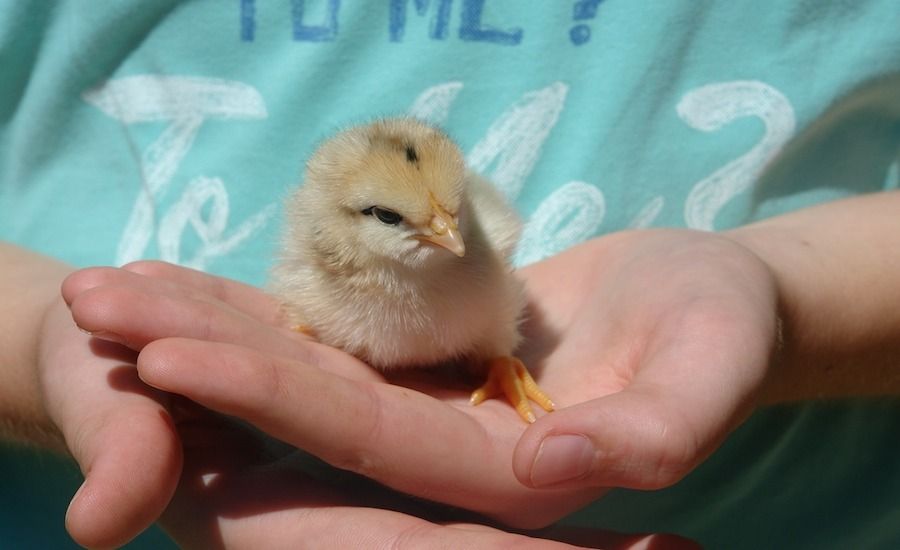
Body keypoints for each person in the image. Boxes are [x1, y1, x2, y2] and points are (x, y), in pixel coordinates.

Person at [2, 2, 898, 548]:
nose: (449, 233)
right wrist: (39, 332)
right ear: (346, 229)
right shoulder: (328, 261)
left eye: (451, 211)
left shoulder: (458, 232)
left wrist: (788, 297)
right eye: (405, 219)